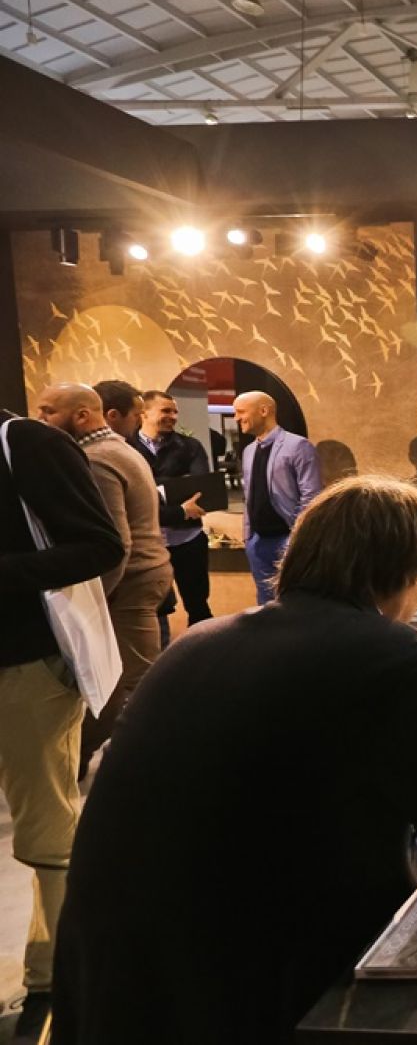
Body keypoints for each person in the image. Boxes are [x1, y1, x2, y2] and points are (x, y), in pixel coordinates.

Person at [51, 477, 417, 1043]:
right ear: (407, 572)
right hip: (254, 993)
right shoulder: (401, 658)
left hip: (113, 987)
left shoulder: (195, 644)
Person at [0, 405, 123, 1035]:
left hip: (25, 663)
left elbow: (102, 544)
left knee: (46, 828)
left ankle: (56, 979)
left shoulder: (24, 442)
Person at [35, 384, 173, 776]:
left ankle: (78, 761)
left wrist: (94, 600)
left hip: (129, 583)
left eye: (47, 411)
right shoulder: (119, 450)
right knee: (127, 679)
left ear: (82, 415)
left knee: (123, 684)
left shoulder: (96, 460)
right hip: (142, 577)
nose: (40, 420)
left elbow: (116, 544)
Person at [134, 388, 214, 641]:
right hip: (148, 542)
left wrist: (153, 490)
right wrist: (176, 497)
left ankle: (202, 653)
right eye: (166, 410)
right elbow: (131, 499)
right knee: (154, 609)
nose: (173, 416)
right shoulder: (126, 447)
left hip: (188, 540)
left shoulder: (191, 447)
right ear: (144, 413)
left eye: (175, 411)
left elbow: (201, 491)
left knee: (198, 606)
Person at [235, 391, 323, 605]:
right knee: (266, 602)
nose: (236, 418)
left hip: (288, 538)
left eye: (241, 412)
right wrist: (248, 537)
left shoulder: (298, 446)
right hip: (257, 541)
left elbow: (311, 496)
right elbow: (249, 495)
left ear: (264, 411)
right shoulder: (248, 451)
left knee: (297, 600)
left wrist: (297, 538)